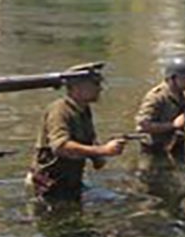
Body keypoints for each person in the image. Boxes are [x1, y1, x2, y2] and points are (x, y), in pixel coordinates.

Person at [28, 63, 126, 201]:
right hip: (49, 185)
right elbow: (60, 146)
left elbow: (87, 139)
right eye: (95, 84)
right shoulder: (59, 110)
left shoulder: (83, 110)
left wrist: (98, 156)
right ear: (77, 87)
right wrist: (102, 150)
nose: (100, 89)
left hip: (71, 181)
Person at [134, 57, 185, 157]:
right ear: (173, 78)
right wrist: (172, 125)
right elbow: (143, 125)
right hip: (153, 149)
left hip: (177, 147)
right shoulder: (155, 97)